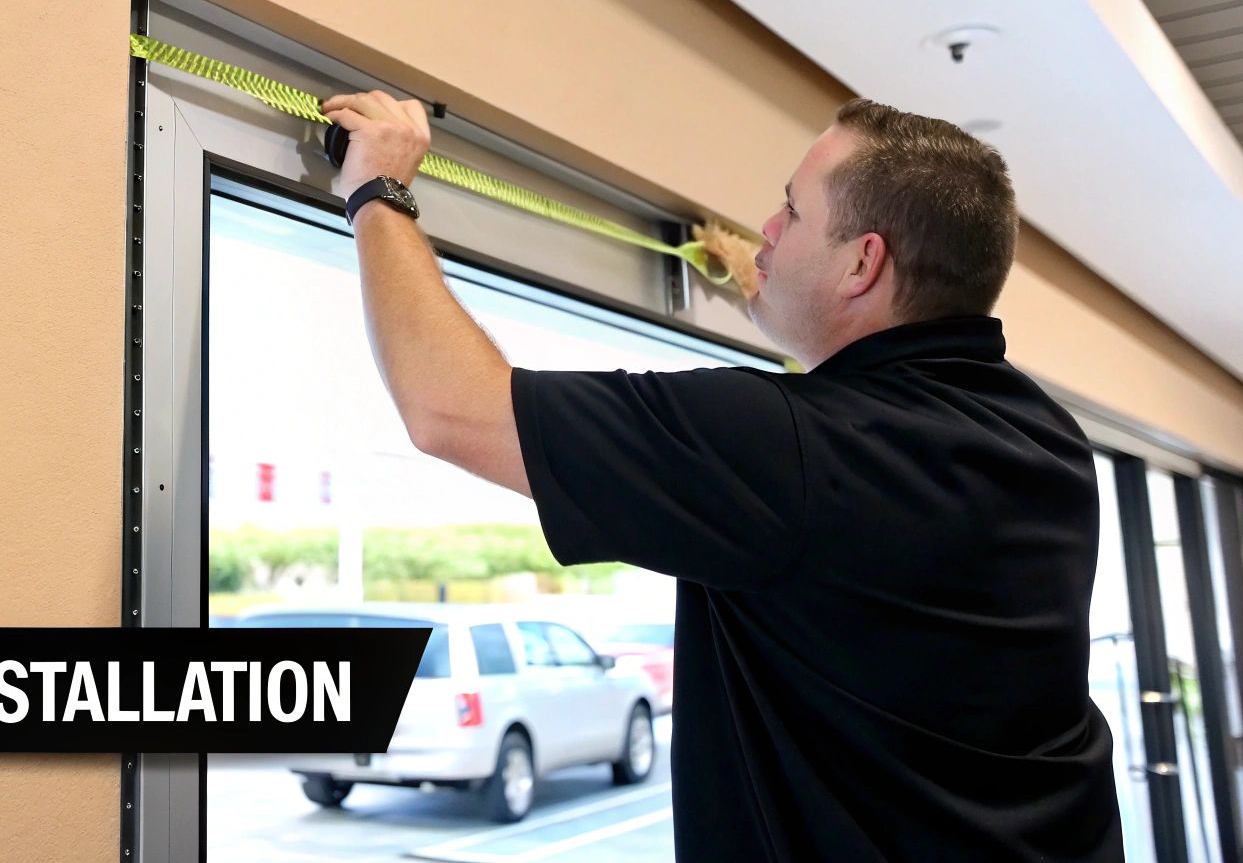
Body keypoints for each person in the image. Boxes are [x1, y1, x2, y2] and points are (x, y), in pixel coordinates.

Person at [318, 89, 1122, 861]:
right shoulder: (1045, 443)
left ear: (862, 264)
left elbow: (450, 409)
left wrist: (378, 191)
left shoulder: (790, 448)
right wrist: (763, 276)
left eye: (793, 211)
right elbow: (860, 379)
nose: (768, 228)